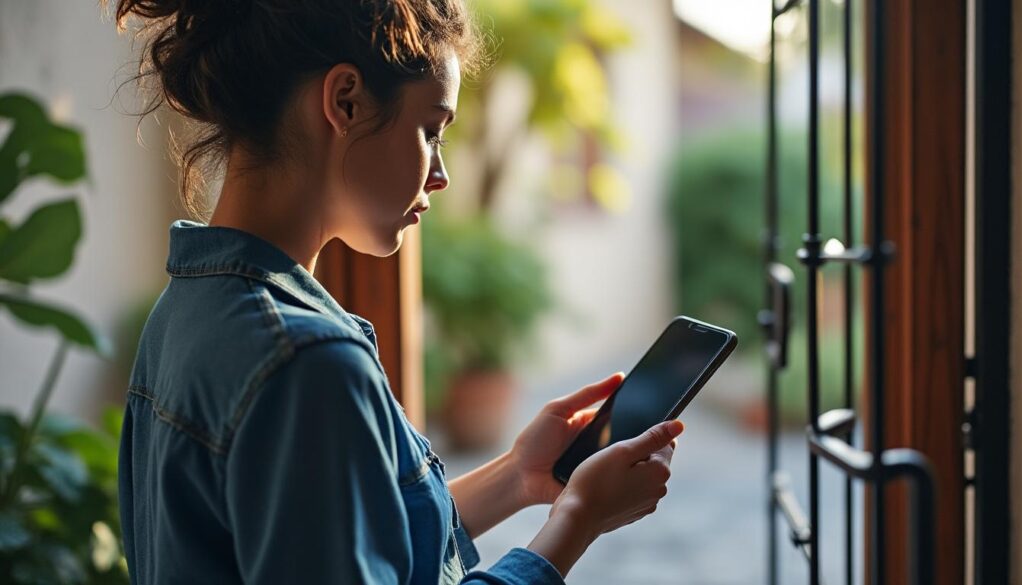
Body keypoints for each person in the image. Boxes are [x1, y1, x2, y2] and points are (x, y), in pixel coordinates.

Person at [111, 0, 685, 583]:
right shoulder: (306, 362)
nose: (441, 173)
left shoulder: (184, 311)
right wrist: (578, 518)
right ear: (345, 102)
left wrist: (517, 476)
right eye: (430, 131)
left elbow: (343, 539)